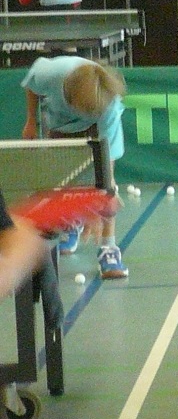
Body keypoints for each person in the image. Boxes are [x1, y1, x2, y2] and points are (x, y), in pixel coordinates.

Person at [21, 57, 128, 279]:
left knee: (107, 187)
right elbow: (32, 86)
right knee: (62, 180)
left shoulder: (108, 105)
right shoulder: (50, 73)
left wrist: (103, 196)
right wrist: (31, 121)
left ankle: (109, 248)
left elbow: (106, 170)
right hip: (59, 125)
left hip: (96, 128)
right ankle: (72, 225)